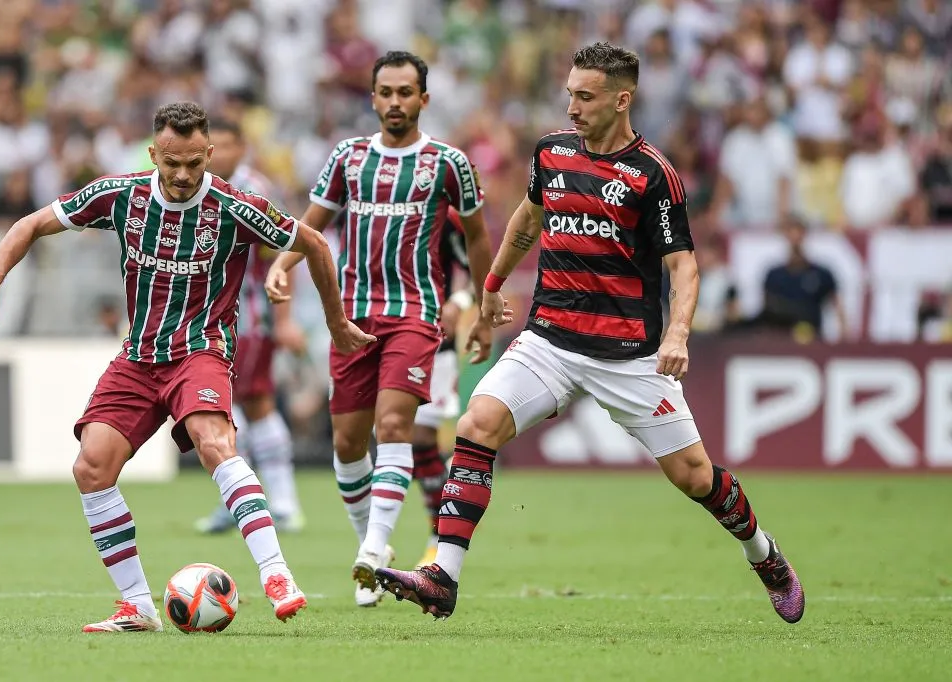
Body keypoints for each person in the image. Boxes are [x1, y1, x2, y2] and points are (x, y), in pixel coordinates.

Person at [375, 43, 805, 624]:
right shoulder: (551, 153)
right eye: (569, 94)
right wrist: (492, 288)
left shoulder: (653, 174)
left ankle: (765, 555)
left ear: (622, 99)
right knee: (478, 423)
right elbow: (528, 219)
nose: (571, 107)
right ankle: (442, 576)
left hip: (629, 356)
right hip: (549, 340)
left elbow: (684, 266)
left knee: (696, 478)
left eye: (585, 96)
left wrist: (677, 335)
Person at [0, 102, 374, 633]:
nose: (182, 176)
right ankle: (136, 606)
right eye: (171, 163)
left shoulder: (235, 205)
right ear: (154, 153)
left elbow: (314, 242)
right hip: (137, 357)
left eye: (193, 164)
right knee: (91, 468)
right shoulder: (121, 194)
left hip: (201, 350)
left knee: (213, 440)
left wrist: (337, 324)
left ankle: (277, 575)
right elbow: (32, 223)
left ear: (209, 154)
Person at [266, 51, 495, 607]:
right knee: (347, 442)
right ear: (373, 98)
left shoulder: (448, 163)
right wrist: (281, 262)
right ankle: (374, 544)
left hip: (415, 313)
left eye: (405, 92)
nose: (395, 102)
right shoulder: (346, 157)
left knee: (395, 424)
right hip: (350, 316)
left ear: (424, 99)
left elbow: (478, 238)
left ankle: (373, 550)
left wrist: (483, 307)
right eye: (385, 92)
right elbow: (312, 228)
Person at [194, 119, 307, 535]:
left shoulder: (256, 191)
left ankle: (283, 502)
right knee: (222, 407)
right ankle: (238, 500)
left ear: (242, 148)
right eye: (214, 146)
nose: (219, 154)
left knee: (254, 401)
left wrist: (284, 317)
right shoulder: (191, 185)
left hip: (249, 315)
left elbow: (287, 251)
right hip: (204, 317)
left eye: (227, 145)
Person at [411, 209, 474, 569]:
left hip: (434, 341)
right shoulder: (371, 201)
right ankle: (372, 544)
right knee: (388, 439)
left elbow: (475, 269)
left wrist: (458, 302)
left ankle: (437, 536)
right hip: (379, 333)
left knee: (419, 437)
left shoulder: (446, 216)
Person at [760, 215, 847, 341]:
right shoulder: (773, 275)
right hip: (781, 342)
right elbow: (766, 313)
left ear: (805, 234)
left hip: (814, 340)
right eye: (790, 231)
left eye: (798, 231)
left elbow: (838, 309)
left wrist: (843, 339)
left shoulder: (821, 274)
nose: (795, 237)